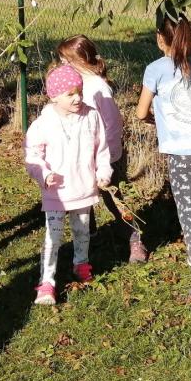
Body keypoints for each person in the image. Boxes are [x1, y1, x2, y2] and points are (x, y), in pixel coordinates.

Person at [134, 10, 191, 306]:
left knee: (189, 216)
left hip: (184, 153)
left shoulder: (155, 69)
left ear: (160, 39)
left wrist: (156, 120)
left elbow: (141, 112)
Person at [56, 34, 148, 263]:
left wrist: (108, 156)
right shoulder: (74, 86)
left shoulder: (97, 86)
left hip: (103, 157)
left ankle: (134, 237)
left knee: (113, 198)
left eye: (66, 60)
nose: (62, 65)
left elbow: (113, 123)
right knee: (81, 196)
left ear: (80, 60)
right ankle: (90, 236)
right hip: (79, 154)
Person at [24, 65, 110, 306]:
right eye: (70, 94)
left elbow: (101, 148)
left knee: (82, 231)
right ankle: (47, 282)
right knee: (53, 237)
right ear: (54, 96)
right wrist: (44, 174)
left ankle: (81, 263)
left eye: (79, 92)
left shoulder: (91, 116)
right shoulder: (44, 123)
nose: (77, 98)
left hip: (83, 187)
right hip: (57, 193)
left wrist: (103, 171)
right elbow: (32, 155)